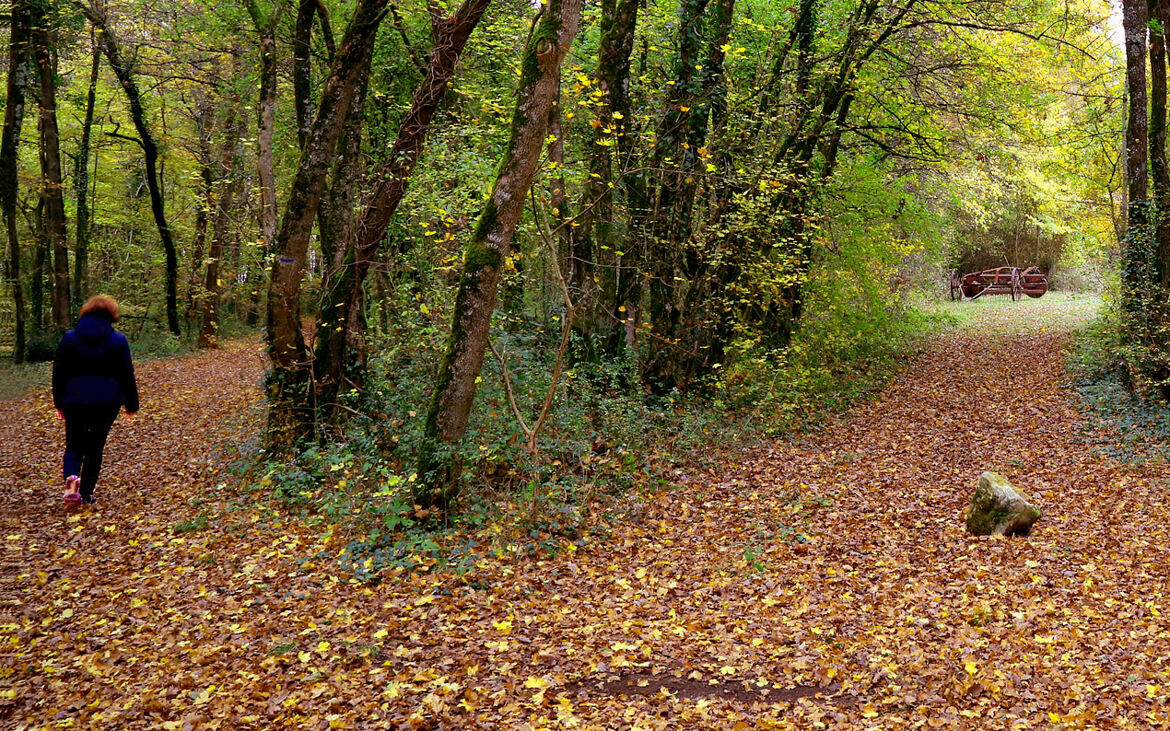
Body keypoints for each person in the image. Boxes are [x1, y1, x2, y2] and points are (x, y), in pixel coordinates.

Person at [52, 295, 139, 504]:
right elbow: (126, 374)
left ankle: (72, 486)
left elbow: (59, 372)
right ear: (111, 315)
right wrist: (131, 405)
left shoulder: (70, 338)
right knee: (95, 446)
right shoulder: (118, 341)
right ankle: (86, 493)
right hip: (106, 402)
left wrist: (59, 402)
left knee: (73, 444)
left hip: (74, 400)